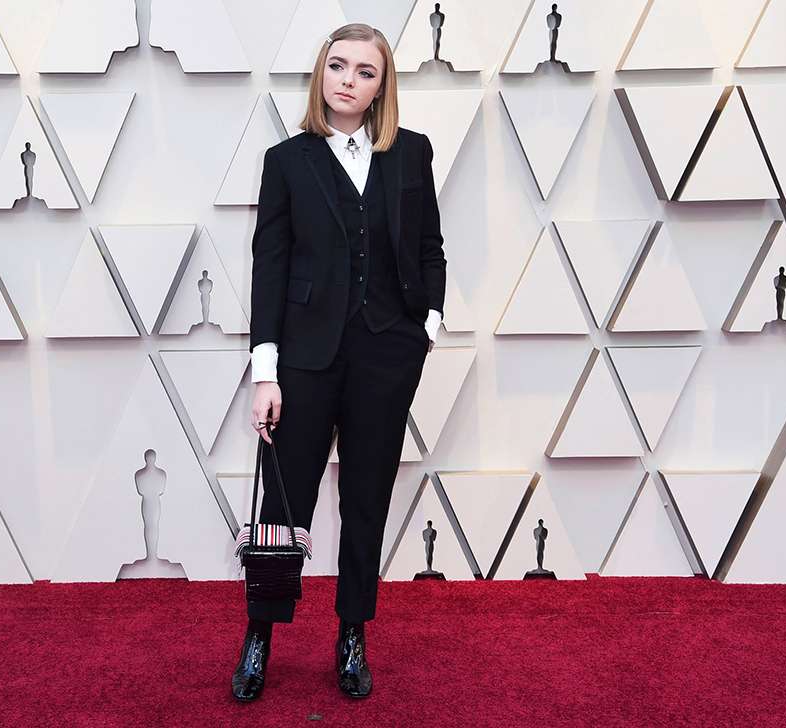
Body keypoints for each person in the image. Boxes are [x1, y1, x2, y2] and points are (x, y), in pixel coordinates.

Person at [231, 23, 446, 701]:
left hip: (387, 352)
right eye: (337, 66)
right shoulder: (287, 160)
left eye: (365, 71)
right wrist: (266, 370)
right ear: (321, 74)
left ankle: (352, 633)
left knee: (366, 501)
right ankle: (259, 637)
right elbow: (270, 266)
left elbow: (431, 245)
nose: (348, 80)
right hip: (305, 356)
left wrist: (428, 324)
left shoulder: (411, 154)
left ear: (383, 86)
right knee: (282, 500)